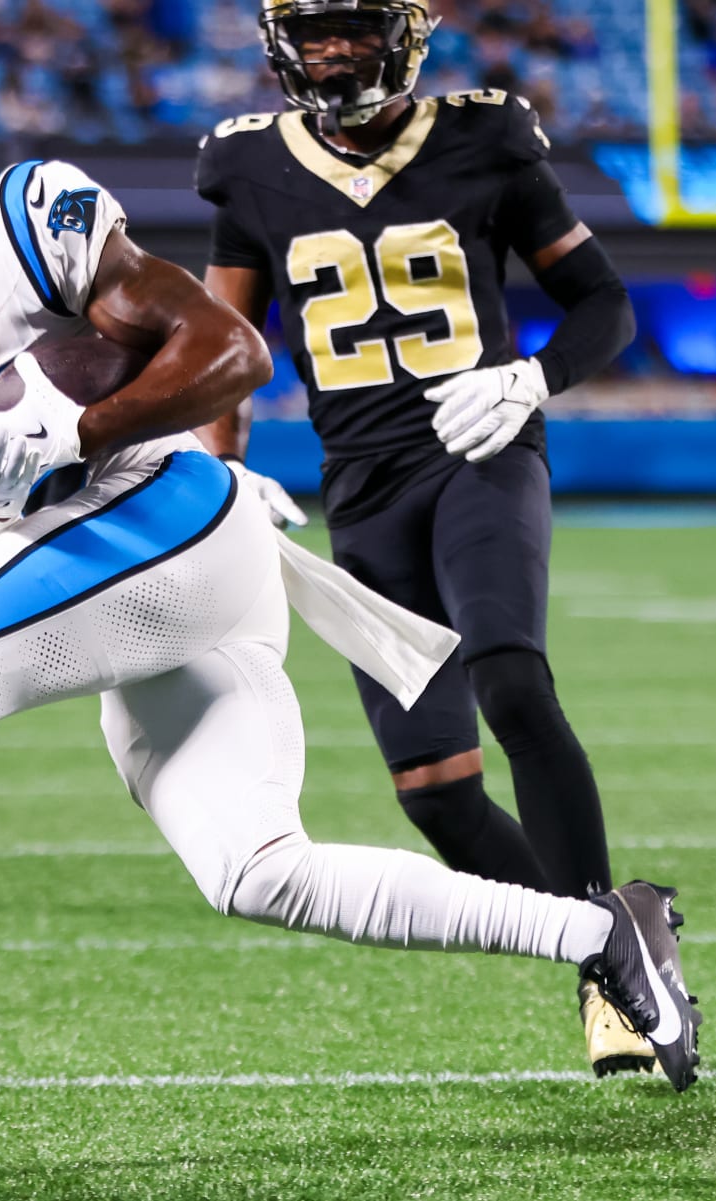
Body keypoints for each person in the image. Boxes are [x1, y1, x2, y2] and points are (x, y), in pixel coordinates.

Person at [0, 49, 699, 1092]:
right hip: (133, 569)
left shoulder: (31, 217)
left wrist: (77, 428)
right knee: (259, 871)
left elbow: (232, 352)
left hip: (167, 513)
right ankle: (607, 934)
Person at [192, 1, 646, 1074]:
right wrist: (219, 471)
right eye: (314, 31)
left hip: (481, 450)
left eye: (353, 26)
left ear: (405, 30)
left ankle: (614, 984)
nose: (334, 50)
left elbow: (603, 303)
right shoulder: (247, 166)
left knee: (514, 684)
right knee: (436, 795)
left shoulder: (484, 136)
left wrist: (532, 375)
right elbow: (222, 345)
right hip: (361, 492)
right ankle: (626, 935)